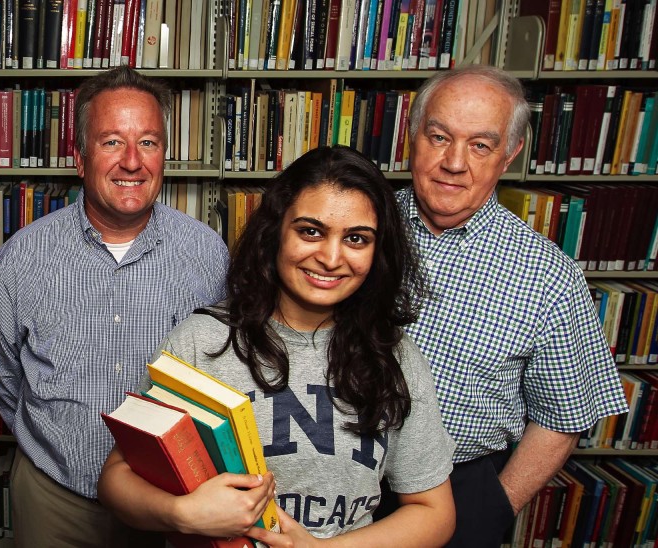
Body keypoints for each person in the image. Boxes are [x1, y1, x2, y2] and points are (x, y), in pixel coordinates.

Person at [97, 145, 457, 547]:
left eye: (356, 238)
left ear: (378, 252)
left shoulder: (396, 356)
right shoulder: (203, 341)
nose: (331, 258)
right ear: (276, 231)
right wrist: (182, 514)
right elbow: (116, 480)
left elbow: (433, 511)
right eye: (311, 231)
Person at [0, 65, 229, 548]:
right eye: (112, 141)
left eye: (149, 143)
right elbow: (2, 376)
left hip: (172, 499)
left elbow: (222, 375)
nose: (132, 161)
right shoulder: (21, 258)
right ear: (78, 157)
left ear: (165, 155)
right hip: (57, 499)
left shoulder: (207, 253)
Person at [390, 64, 629, 546]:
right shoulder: (356, 229)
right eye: (438, 136)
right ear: (411, 135)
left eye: (481, 144)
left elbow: (561, 418)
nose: (455, 162)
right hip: (331, 477)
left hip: (460, 490)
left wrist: (495, 506)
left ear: (510, 153)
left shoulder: (549, 276)